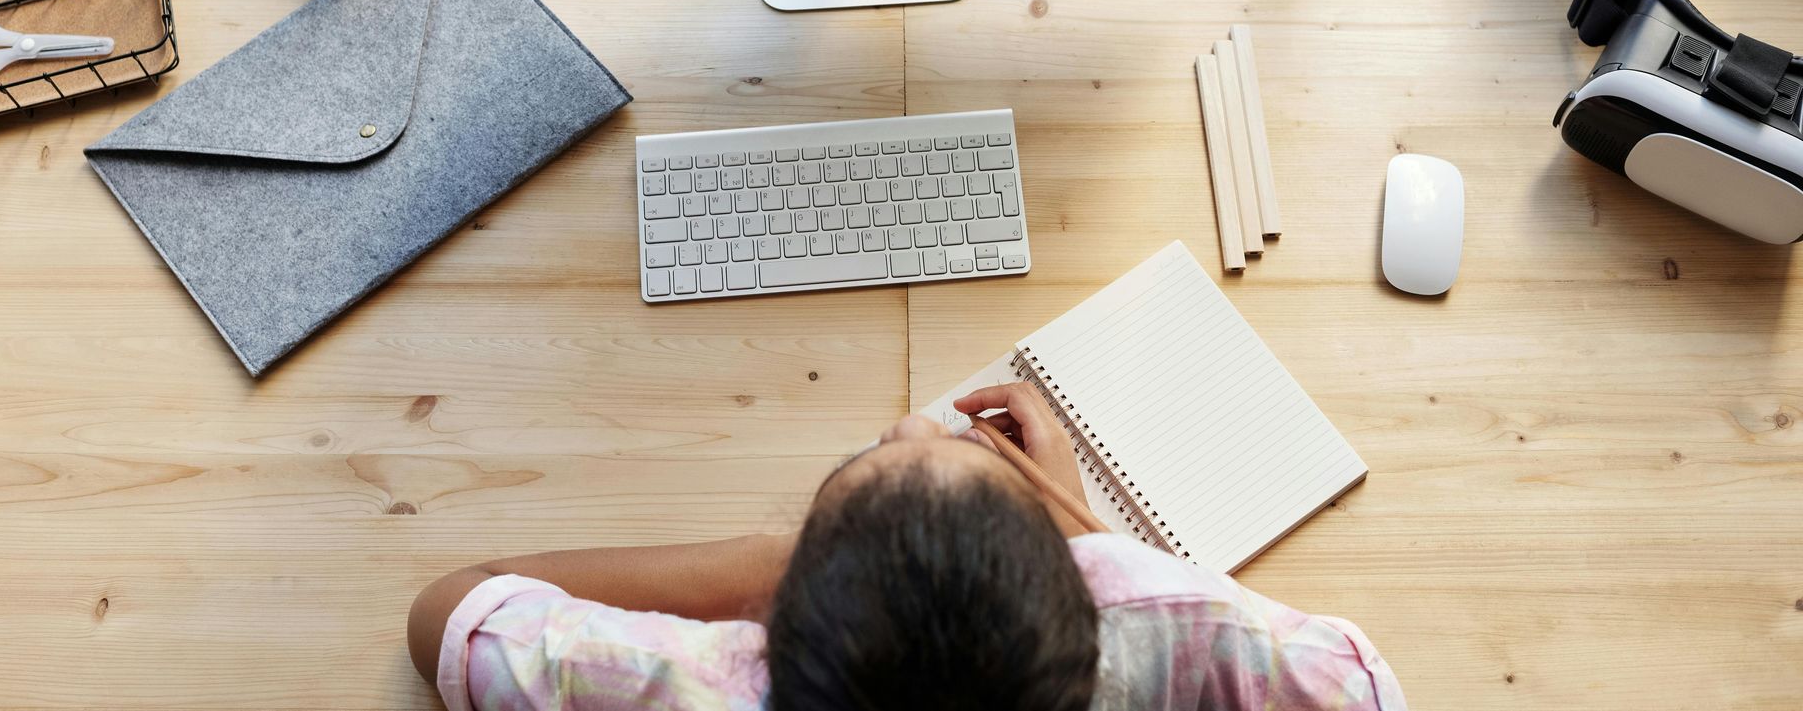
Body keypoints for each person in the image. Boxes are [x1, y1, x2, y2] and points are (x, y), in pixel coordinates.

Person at [407, 382, 1408, 710]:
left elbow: (453, 611)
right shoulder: (1221, 649)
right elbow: (1358, 684)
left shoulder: (704, 688)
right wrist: (1079, 528)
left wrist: (785, 565)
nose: (921, 426)